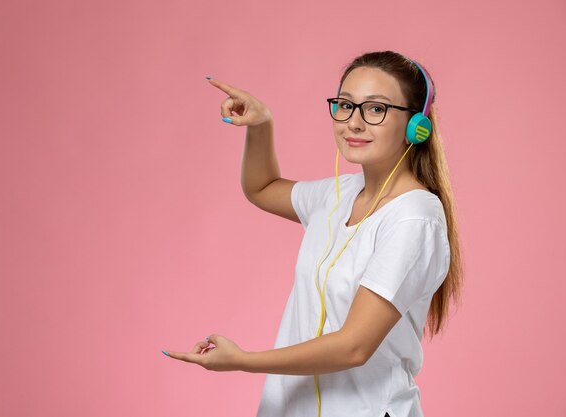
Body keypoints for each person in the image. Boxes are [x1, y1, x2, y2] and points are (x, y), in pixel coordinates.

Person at [162, 50, 464, 417]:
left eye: (376, 109)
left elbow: (354, 346)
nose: (353, 122)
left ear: (416, 125)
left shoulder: (414, 218)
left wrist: (243, 360)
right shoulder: (337, 195)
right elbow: (262, 187)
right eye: (345, 105)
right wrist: (261, 124)